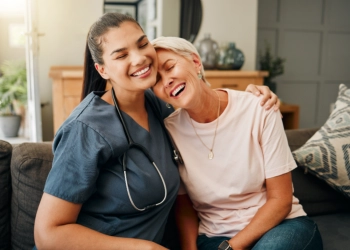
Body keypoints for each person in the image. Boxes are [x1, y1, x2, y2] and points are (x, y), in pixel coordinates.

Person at [33, 13, 279, 250]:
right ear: (103, 70)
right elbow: (48, 234)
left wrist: (250, 96)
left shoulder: (159, 104)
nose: (139, 59)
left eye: (142, 44)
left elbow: (203, 98)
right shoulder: (84, 129)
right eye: (121, 55)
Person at [151, 36, 323, 250]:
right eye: (156, 80)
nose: (166, 80)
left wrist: (231, 247)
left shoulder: (259, 108)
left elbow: (281, 200)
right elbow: (184, 205)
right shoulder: (168, 131)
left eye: (170, 67)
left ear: (196, 63)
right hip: (214, 237)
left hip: (281, 228)